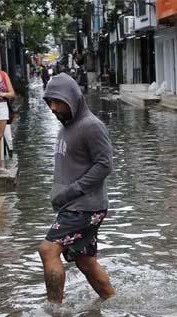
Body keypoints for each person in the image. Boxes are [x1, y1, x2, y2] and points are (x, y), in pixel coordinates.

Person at [38, 74, 115, 303]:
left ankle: (55, 313)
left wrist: (72, 191)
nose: (53, 108)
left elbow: (105, 165)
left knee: (48, 250)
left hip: (85, 207)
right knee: (86, 262)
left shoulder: (91, 126)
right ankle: (112, 302)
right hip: (74, 205)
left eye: (58, 102)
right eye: (50, 102)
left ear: (72, 99)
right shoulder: (67, 125)